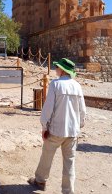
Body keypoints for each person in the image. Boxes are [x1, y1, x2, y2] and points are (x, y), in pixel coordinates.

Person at [28, 58, 86, 194]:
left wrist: (44, 126)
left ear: (62, 70)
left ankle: (40, 181)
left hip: (55, 129)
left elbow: (48, 108)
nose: (56, 69)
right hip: (72, 131)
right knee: (69, 162)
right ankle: (68, 190)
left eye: (57, 67)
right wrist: (80, 125)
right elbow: (82, 110)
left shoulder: (55, 84)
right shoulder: (77, 86)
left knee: (46, 156)